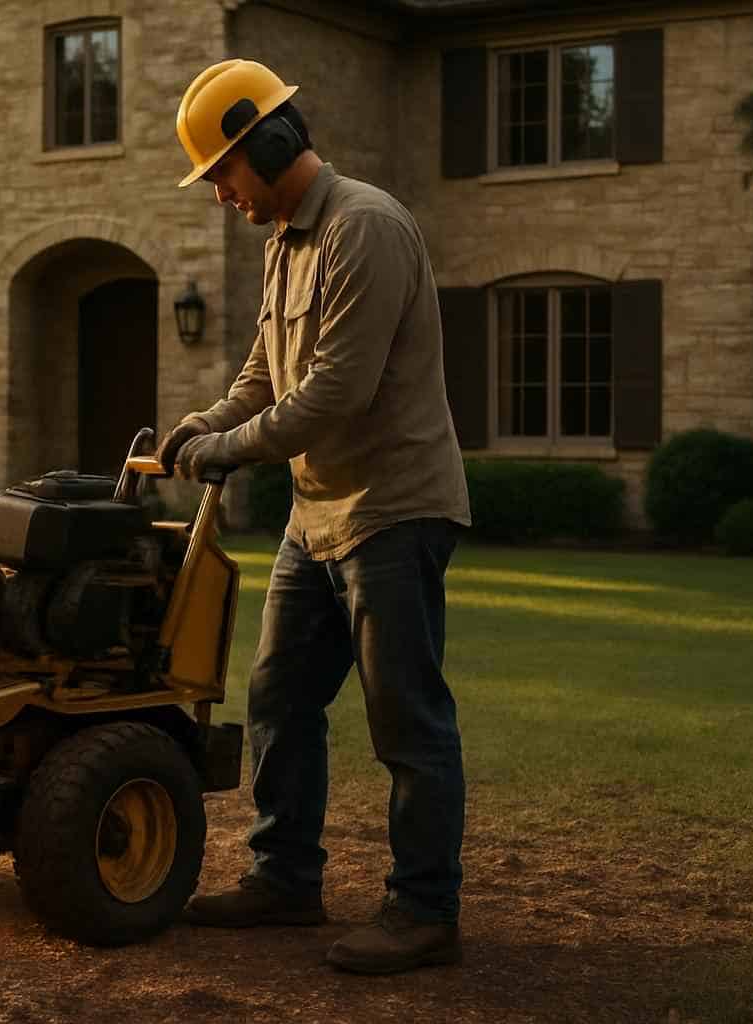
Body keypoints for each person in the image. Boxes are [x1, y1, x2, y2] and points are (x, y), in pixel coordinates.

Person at [161, 59, 472, 975]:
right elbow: (266, 374)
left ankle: (425, 911)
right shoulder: (286, 240)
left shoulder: (363, 227)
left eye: (222, 173)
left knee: (404, 716)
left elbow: (336, 390)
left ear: (268, 141)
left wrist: (230, 449)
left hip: (395, 508)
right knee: (280, 698)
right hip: (318, 512)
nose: (220, 194)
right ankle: (285, 880)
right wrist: (205, 424)